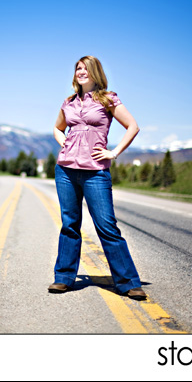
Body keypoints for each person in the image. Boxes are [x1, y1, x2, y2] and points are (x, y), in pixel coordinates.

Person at [48, 56, 147, 300]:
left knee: (107, 226)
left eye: (86, 69)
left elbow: (133, 126)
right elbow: (57, 128)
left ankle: (127, 282)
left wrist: (113, 153)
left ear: (95, 73)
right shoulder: (68, 102)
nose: (81, 72)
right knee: (70, 225)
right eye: (78, 69)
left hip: (96, 172)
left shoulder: (108, 98)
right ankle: (63, 278)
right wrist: (65, 144)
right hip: (66, 171)